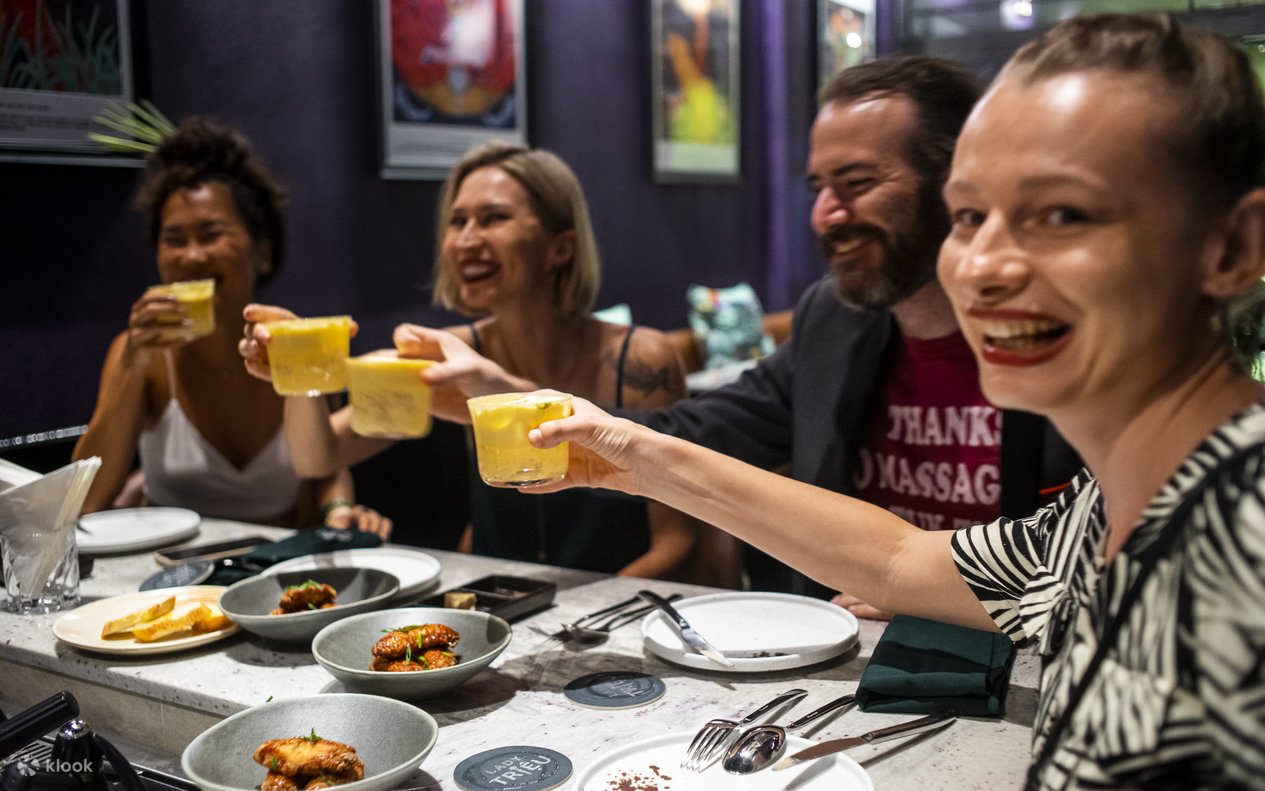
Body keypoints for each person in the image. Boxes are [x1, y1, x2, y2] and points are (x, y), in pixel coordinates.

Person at [527, 13, 1265, 788]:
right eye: (969, 216)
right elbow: (898, 559)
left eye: (1061, 213)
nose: (979, 266)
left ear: (1232, 247)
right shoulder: (1099, 507)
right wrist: (631, 456)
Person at [389, 56, 1081, 616]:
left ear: (958, 185)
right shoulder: (832, 318)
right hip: (842, 645)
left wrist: (938, 598)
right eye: (818, 187)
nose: (825, 214)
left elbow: (1081, 572)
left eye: (857, 182)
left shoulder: (1064, 340)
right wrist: (511, 397)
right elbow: (693, 431)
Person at [241, 143, 696, 578]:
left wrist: (580, 618)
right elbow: (318, 458)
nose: (466, 240)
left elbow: (679, 543)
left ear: (561, 247)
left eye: (494, 218)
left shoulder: (641, 360)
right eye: (457, 222)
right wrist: (297, 363)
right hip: (497, 602)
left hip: (624, 612)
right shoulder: (448, 355)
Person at [73, 117, 390, 538]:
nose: (191, 257)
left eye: (211, 234)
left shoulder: (295, 343)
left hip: (278, 563)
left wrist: (340, 510)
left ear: (262, 253)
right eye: (174, 240)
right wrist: (134, 360)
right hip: (172, 568)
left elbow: (326, 463)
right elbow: (85, 502)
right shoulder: (139, 355)